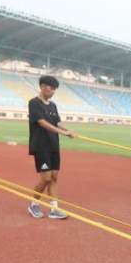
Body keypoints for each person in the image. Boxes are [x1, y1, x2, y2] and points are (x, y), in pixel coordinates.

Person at [27, 75, 76, 220]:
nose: (53, 91)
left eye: (55, 89)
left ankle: (54, 209)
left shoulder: (53, 105)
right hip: (41, 146)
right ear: (42, 86)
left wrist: (68, 130)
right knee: (46, 178)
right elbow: (42, 122)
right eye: (51, 88)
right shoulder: (34, 103)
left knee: (54, 177)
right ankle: (33, 204)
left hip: (54, 145)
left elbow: (57, 122)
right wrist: (62, 132)